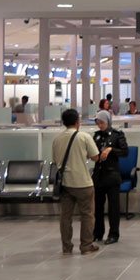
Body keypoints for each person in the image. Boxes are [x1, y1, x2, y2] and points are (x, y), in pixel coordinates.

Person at [52, 109, 101, 255]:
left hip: (65, 184)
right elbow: (95, 157)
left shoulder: (57, 139)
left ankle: (66, 247)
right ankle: (86, 246)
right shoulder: (84, 137)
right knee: (87, 215)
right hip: (83, 183)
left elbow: (55, 161)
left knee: (65, 217)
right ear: (77, 122)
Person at [92, 110, 128, 245]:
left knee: (113, 207)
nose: (100, 125)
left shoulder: (117, 135)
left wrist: (111, 149)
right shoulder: (96, 136)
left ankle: (113, 234)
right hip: (99, 175)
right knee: (98, 206)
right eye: (98, 123)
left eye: (102, 122)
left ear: (108, 122)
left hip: (112, 175)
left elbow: (125, 152)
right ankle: (97, 232)